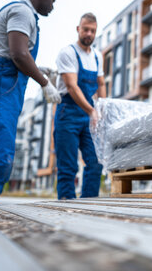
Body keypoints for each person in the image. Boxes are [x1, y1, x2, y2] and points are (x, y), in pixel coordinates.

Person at [0, 0, 61, 209]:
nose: (53, 7)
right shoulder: (23, 12)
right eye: (52, 0)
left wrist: (39, 69)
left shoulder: (21, 13)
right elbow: (18, 54)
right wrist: (45, 82)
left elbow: (13, 55)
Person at [54, 12, 106, 199]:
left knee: (95, 162)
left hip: (89, 115)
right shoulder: (68, 53)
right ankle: (66, 209)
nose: (89, 34)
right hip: (68, 112)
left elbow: (100, 84)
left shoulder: (98, 57)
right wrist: (92, 110)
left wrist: (101, 108)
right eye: (86, 29)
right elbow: (71, 85)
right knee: (68, 166)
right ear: (78, 29)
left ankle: (88, 206)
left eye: (93, 31)